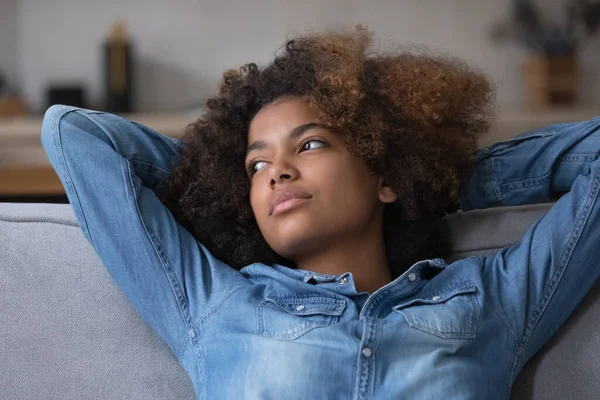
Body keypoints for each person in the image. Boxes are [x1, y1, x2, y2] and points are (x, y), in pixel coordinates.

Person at [41, 26, 600, 399]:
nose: (278, 171)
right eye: (256, 166)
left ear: (383, 174)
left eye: (308, 146)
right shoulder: (214, 305)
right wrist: (214, 191)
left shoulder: (490, 300)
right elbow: (74, 133)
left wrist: (438, 178)